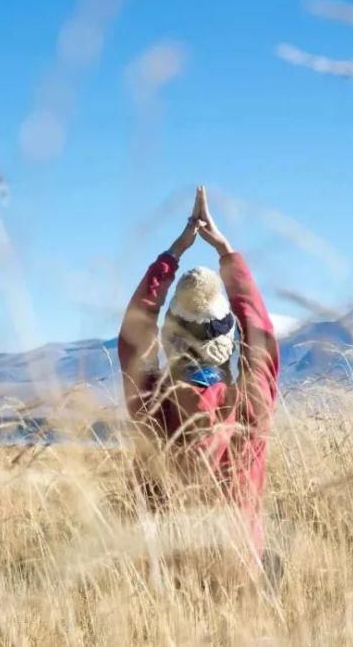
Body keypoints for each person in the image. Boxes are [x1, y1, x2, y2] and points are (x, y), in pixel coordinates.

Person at [118, 185, 279, 568]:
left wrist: (172, 256)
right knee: (271, 565)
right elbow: (262, 340)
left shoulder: (151, 404)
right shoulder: (249, 406)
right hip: (239, 573)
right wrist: (225, 252)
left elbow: (133, 339)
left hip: (168, 585)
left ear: (170, 336)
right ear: (228, 339)